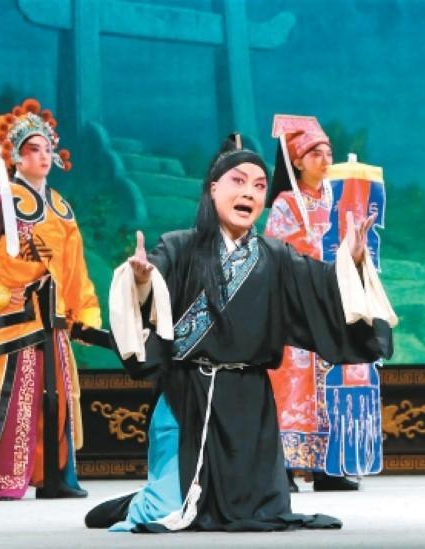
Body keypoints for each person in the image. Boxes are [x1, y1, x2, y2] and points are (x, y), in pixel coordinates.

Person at [84, 133, 396, 532]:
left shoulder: (275, 258)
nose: (250, 192)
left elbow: (324, 291)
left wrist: (351, 262)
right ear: (213, 188)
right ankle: (138, 501)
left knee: (258, 511)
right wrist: (143, 282)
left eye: (260, 186)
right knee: (165, 512)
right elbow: (150, 297)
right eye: (238, 181)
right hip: (188, 397)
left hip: (250, 401)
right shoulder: (179, 247)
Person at [0, 98, 101, 500]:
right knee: (14, 399)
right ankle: (7, 479)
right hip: (15, 318)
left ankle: (54, 477)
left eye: (48, 149)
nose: (44, 156)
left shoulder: (62, 208)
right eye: (34, 149)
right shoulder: (1, 201)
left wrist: (83, 312)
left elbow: (75, 269)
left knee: (58, 402)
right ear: (16, 156)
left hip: (53, 320)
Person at [264, 114, 374, 491]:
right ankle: (286, 468)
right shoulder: (286, 203)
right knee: (295, 384)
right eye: (316, 154)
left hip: (336, 302)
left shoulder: (339, 198)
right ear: (297, 161)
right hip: (300, 304)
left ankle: (330, 466)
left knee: (336, 381)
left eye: (329, 153)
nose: (326, 160)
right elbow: (278, 252)